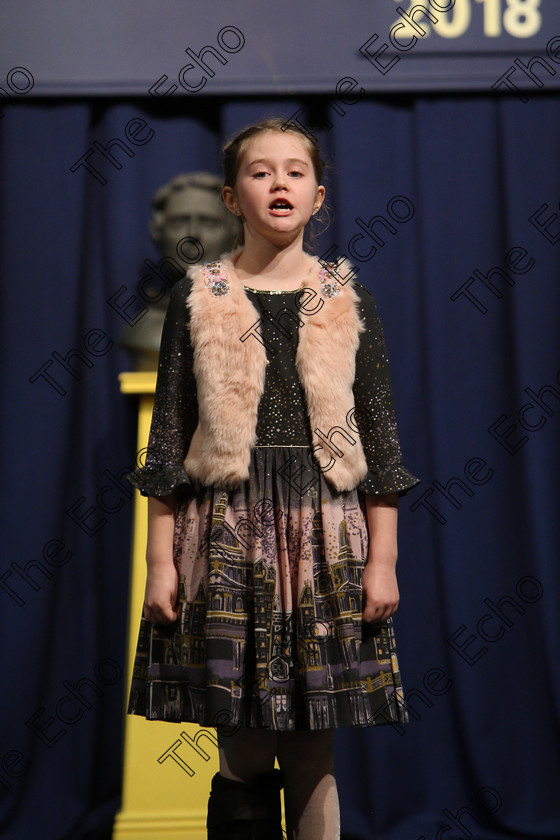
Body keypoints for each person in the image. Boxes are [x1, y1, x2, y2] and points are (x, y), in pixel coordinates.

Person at [127, 117, 420, 840]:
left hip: (324, 536)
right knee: (244, 740)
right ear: (232, 196)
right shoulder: (201, 299)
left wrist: (382, 562)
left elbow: (380, 444)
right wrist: (159, 564)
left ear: (318, 196)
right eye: (261, 172)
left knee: (315, 741)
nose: (280, 183)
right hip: (227, 535)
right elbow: (167, 439)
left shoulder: (347, 300)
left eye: (296, 171)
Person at [119, 171, 240, 369]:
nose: (193, 234)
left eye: (209, 222)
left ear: (234, 230)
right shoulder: (144, 327)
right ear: (157, 232)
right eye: (180, 221)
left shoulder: (254, 320)